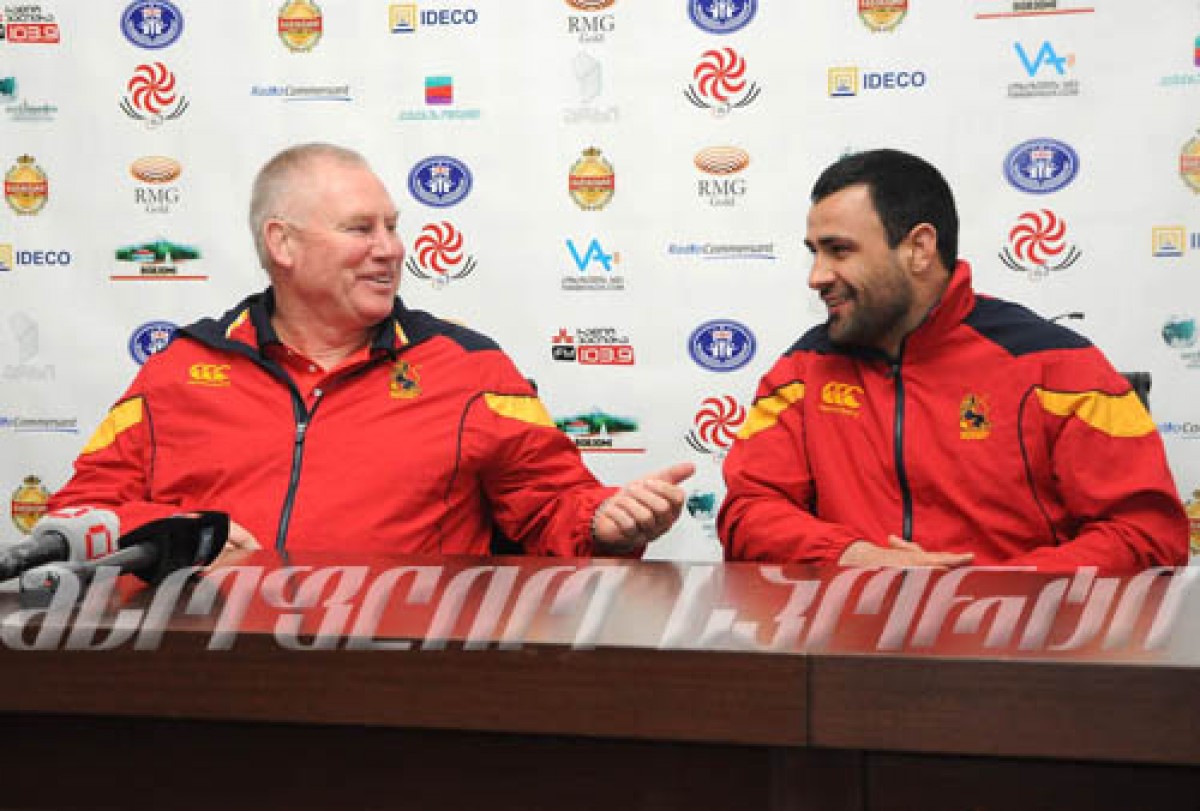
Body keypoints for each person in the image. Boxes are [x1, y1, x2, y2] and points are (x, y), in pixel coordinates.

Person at [50, 143, 693, 558]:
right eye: (360, 229)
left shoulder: (470, 369)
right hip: (208, 672)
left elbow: (552, 505)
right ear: (282, 244)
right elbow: (78, 515)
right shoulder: (180, 371)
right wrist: (183, 540)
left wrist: (605, 520)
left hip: (402, 681)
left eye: (392, 227)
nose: (390, 249)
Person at [718, 148, 1188, 573]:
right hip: (850, 634)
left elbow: (1147, 533)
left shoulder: (1058, 366)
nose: (817, 276)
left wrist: (990, 593)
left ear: (919, 249)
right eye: (814, 253)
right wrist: (852, 557)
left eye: (839, 250)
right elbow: (748, 512)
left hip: (1017, 636)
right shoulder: (801, 371)